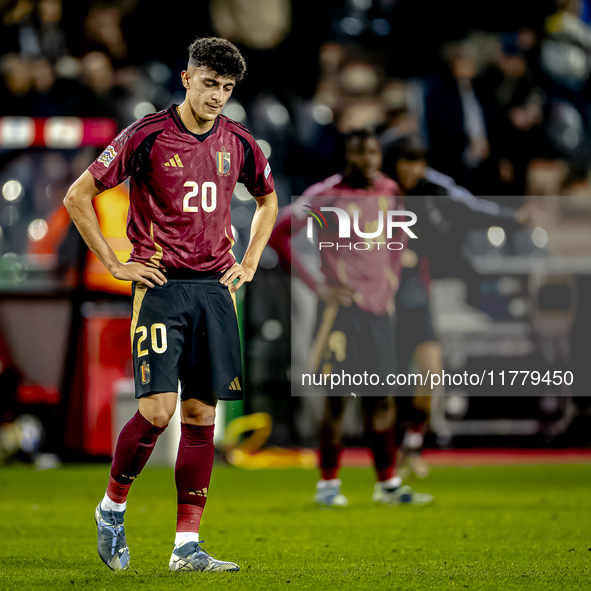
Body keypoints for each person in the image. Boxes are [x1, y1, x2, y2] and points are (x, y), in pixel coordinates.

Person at [64, 37, 278, 573]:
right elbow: (77, 196)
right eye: (210, 84)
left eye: (227, 88)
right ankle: (112, 507)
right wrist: (115, 264)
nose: (217, 96)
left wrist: (249, 262)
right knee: (158, 412)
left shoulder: (242, 143)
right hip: (160, 286)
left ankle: (187, 547)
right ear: (186, 78)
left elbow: (269, 199)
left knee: (202, 415)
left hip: (214, 289)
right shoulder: (148, 135)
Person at [269, 129, 433, 507]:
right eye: (360, 154)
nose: (368, 161)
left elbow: (399, 235)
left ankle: (387, 484)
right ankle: (328, 485)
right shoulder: (326, 195)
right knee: (338, 400)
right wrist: (317, 286)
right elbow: (280, 233)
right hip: (341, 312)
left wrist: (391, 280)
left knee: (382, 399)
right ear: (347, 157)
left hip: (379, 313)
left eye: (373, 153)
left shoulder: (390, 191)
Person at [381, 133, 535, 477]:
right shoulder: (375, 190)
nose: (414, 169)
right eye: (408, 161)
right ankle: (385, 458)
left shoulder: (433, 188)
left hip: (413, 292)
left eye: (419, 161)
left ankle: (414, 444)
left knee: (430, 373)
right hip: (379, 298)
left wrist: (510, 218)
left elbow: (470, 207)